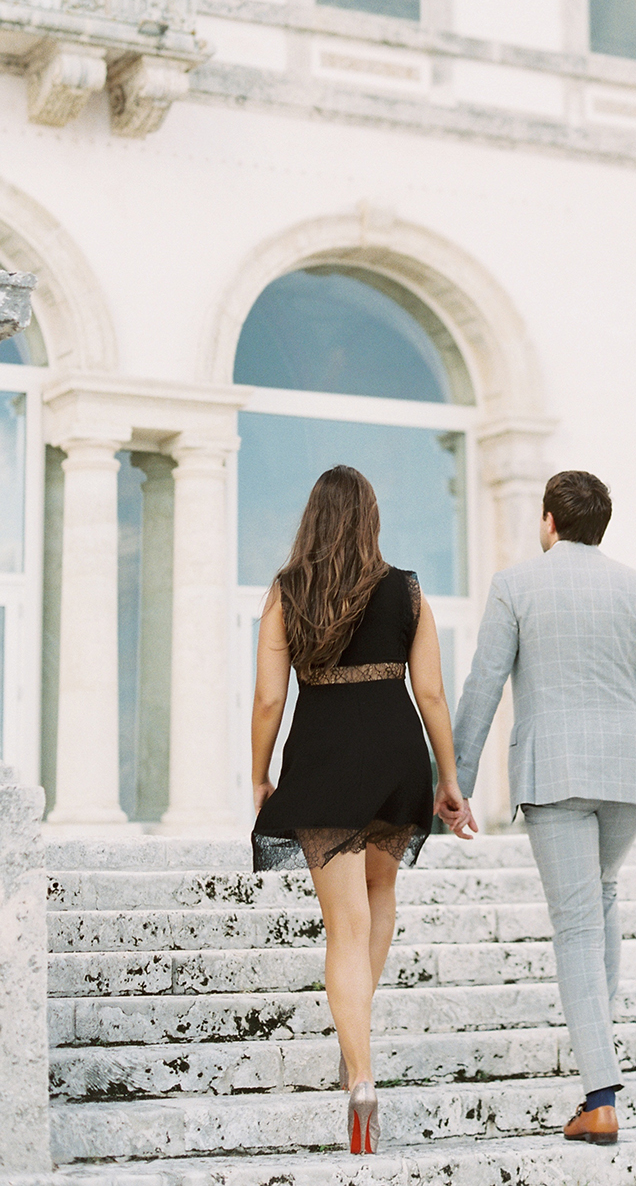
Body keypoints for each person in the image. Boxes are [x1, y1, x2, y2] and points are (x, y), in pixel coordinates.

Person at [450, 470, 636, 1148]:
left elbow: (484, 683)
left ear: (549, 521)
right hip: (629, 772)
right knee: (602, 899)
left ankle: (601, 1097)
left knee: (578, 926)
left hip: (554, 772)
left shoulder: (516, 585)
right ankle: (599, 1059)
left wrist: (457, 777)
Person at [250, 465, 470, 1156]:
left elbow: (266, 701)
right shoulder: (406, 590)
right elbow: (431, 694)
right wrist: (450, 778)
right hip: (396, 749)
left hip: (323, 754)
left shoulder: (289, 591)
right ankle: (356, 1058)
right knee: (378, 899)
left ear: (312, 517)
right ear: (371, 518)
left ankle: (361, 1076)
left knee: (343, 925)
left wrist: (258, 775)